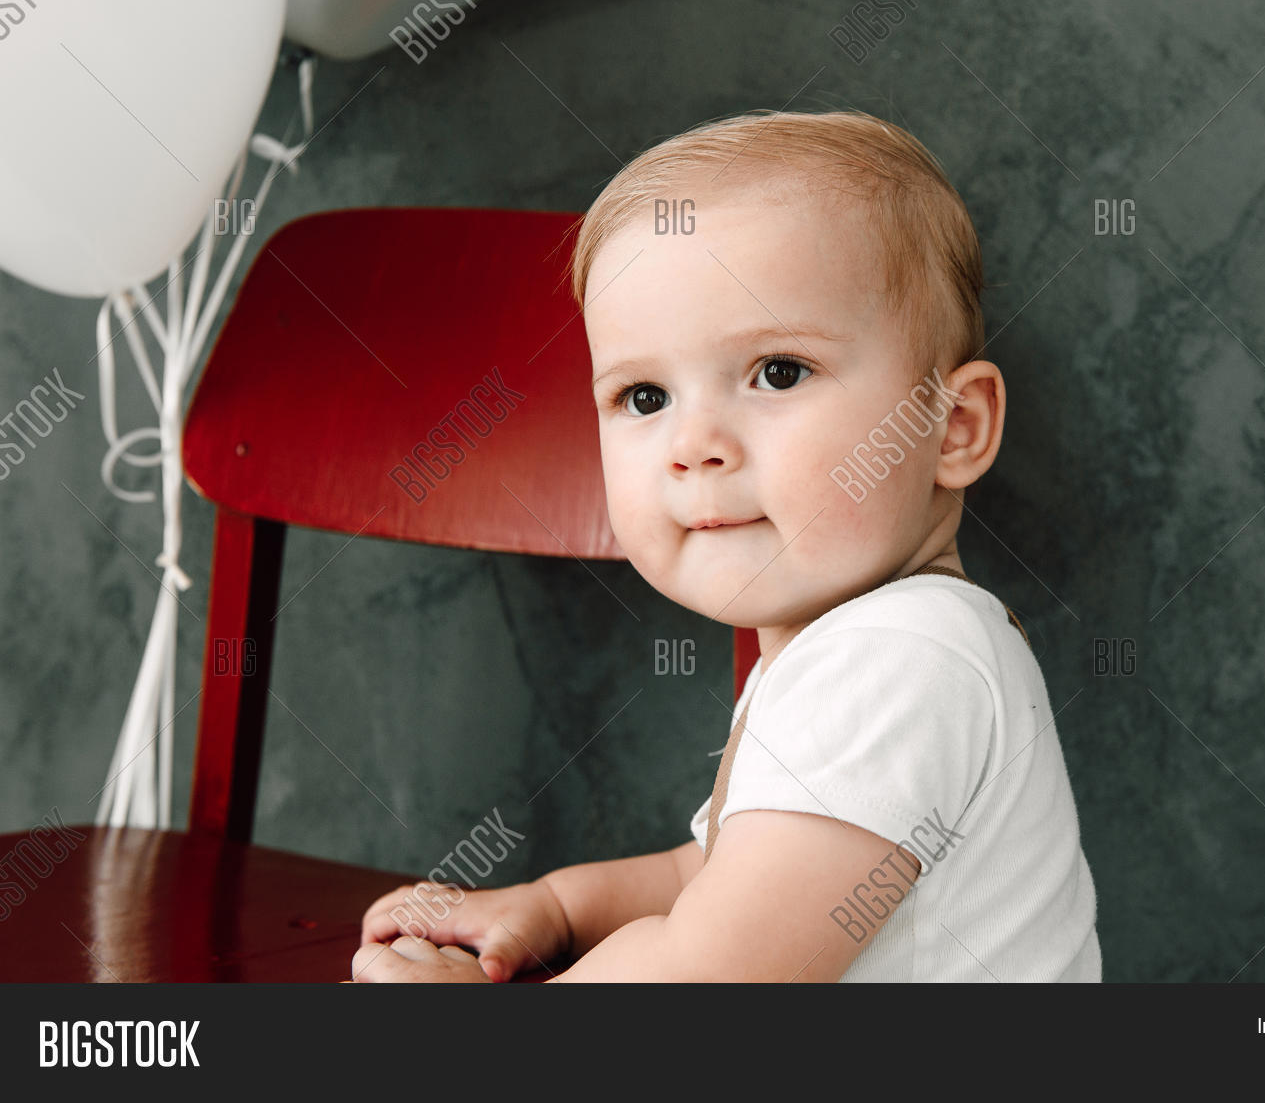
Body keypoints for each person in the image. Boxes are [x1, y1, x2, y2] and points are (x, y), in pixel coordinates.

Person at [352, 108, 1100, 982]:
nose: (692, 442)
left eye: (778, 372)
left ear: (952, 427)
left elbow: (713, 973)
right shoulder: (863, 646)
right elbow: (710, 881)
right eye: (642, 397)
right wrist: (557, 904)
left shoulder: (900, 662)